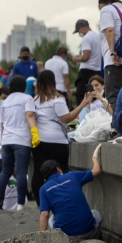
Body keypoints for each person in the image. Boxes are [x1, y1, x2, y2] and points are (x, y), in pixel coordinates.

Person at [33, 70, 92, 199]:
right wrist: (82, 104)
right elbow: (66, 118)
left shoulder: (34, 100)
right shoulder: (57, 99)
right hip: (57, 141)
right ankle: (61, 199)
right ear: (53, 82)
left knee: (39, 172)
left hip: (40, 142)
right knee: (61, 172)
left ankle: (41, 205)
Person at [0, 76, 38, 211]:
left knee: (5, 171)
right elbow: (30, 115)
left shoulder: (5, 101)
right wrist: (34, 132)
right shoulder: (27, 98)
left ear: (10, 87)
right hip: (22, 140)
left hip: (6, 141)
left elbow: (3, 125)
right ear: (24, 87)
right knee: (21, 173)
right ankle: (21, 204)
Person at [39, 148, 103, 240]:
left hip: (67, 237)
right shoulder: (72, 176)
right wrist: (94, 157)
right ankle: (97, 241)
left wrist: (42, 241)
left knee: (51, 219)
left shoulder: (44, 189)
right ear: (58, 169)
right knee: (95, 214)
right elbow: (97, 170)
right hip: (89, 232)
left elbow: (44, 215)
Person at [71, 19, 103, 106]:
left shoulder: (86, 38)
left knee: (82, 97)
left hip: (86, 72)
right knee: (94, 97)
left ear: (81, 29)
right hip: (97, 71)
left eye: (78, 32)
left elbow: (86, 57)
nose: (79, 34)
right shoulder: (97, 37)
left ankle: (81, 117)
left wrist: (76, 59)